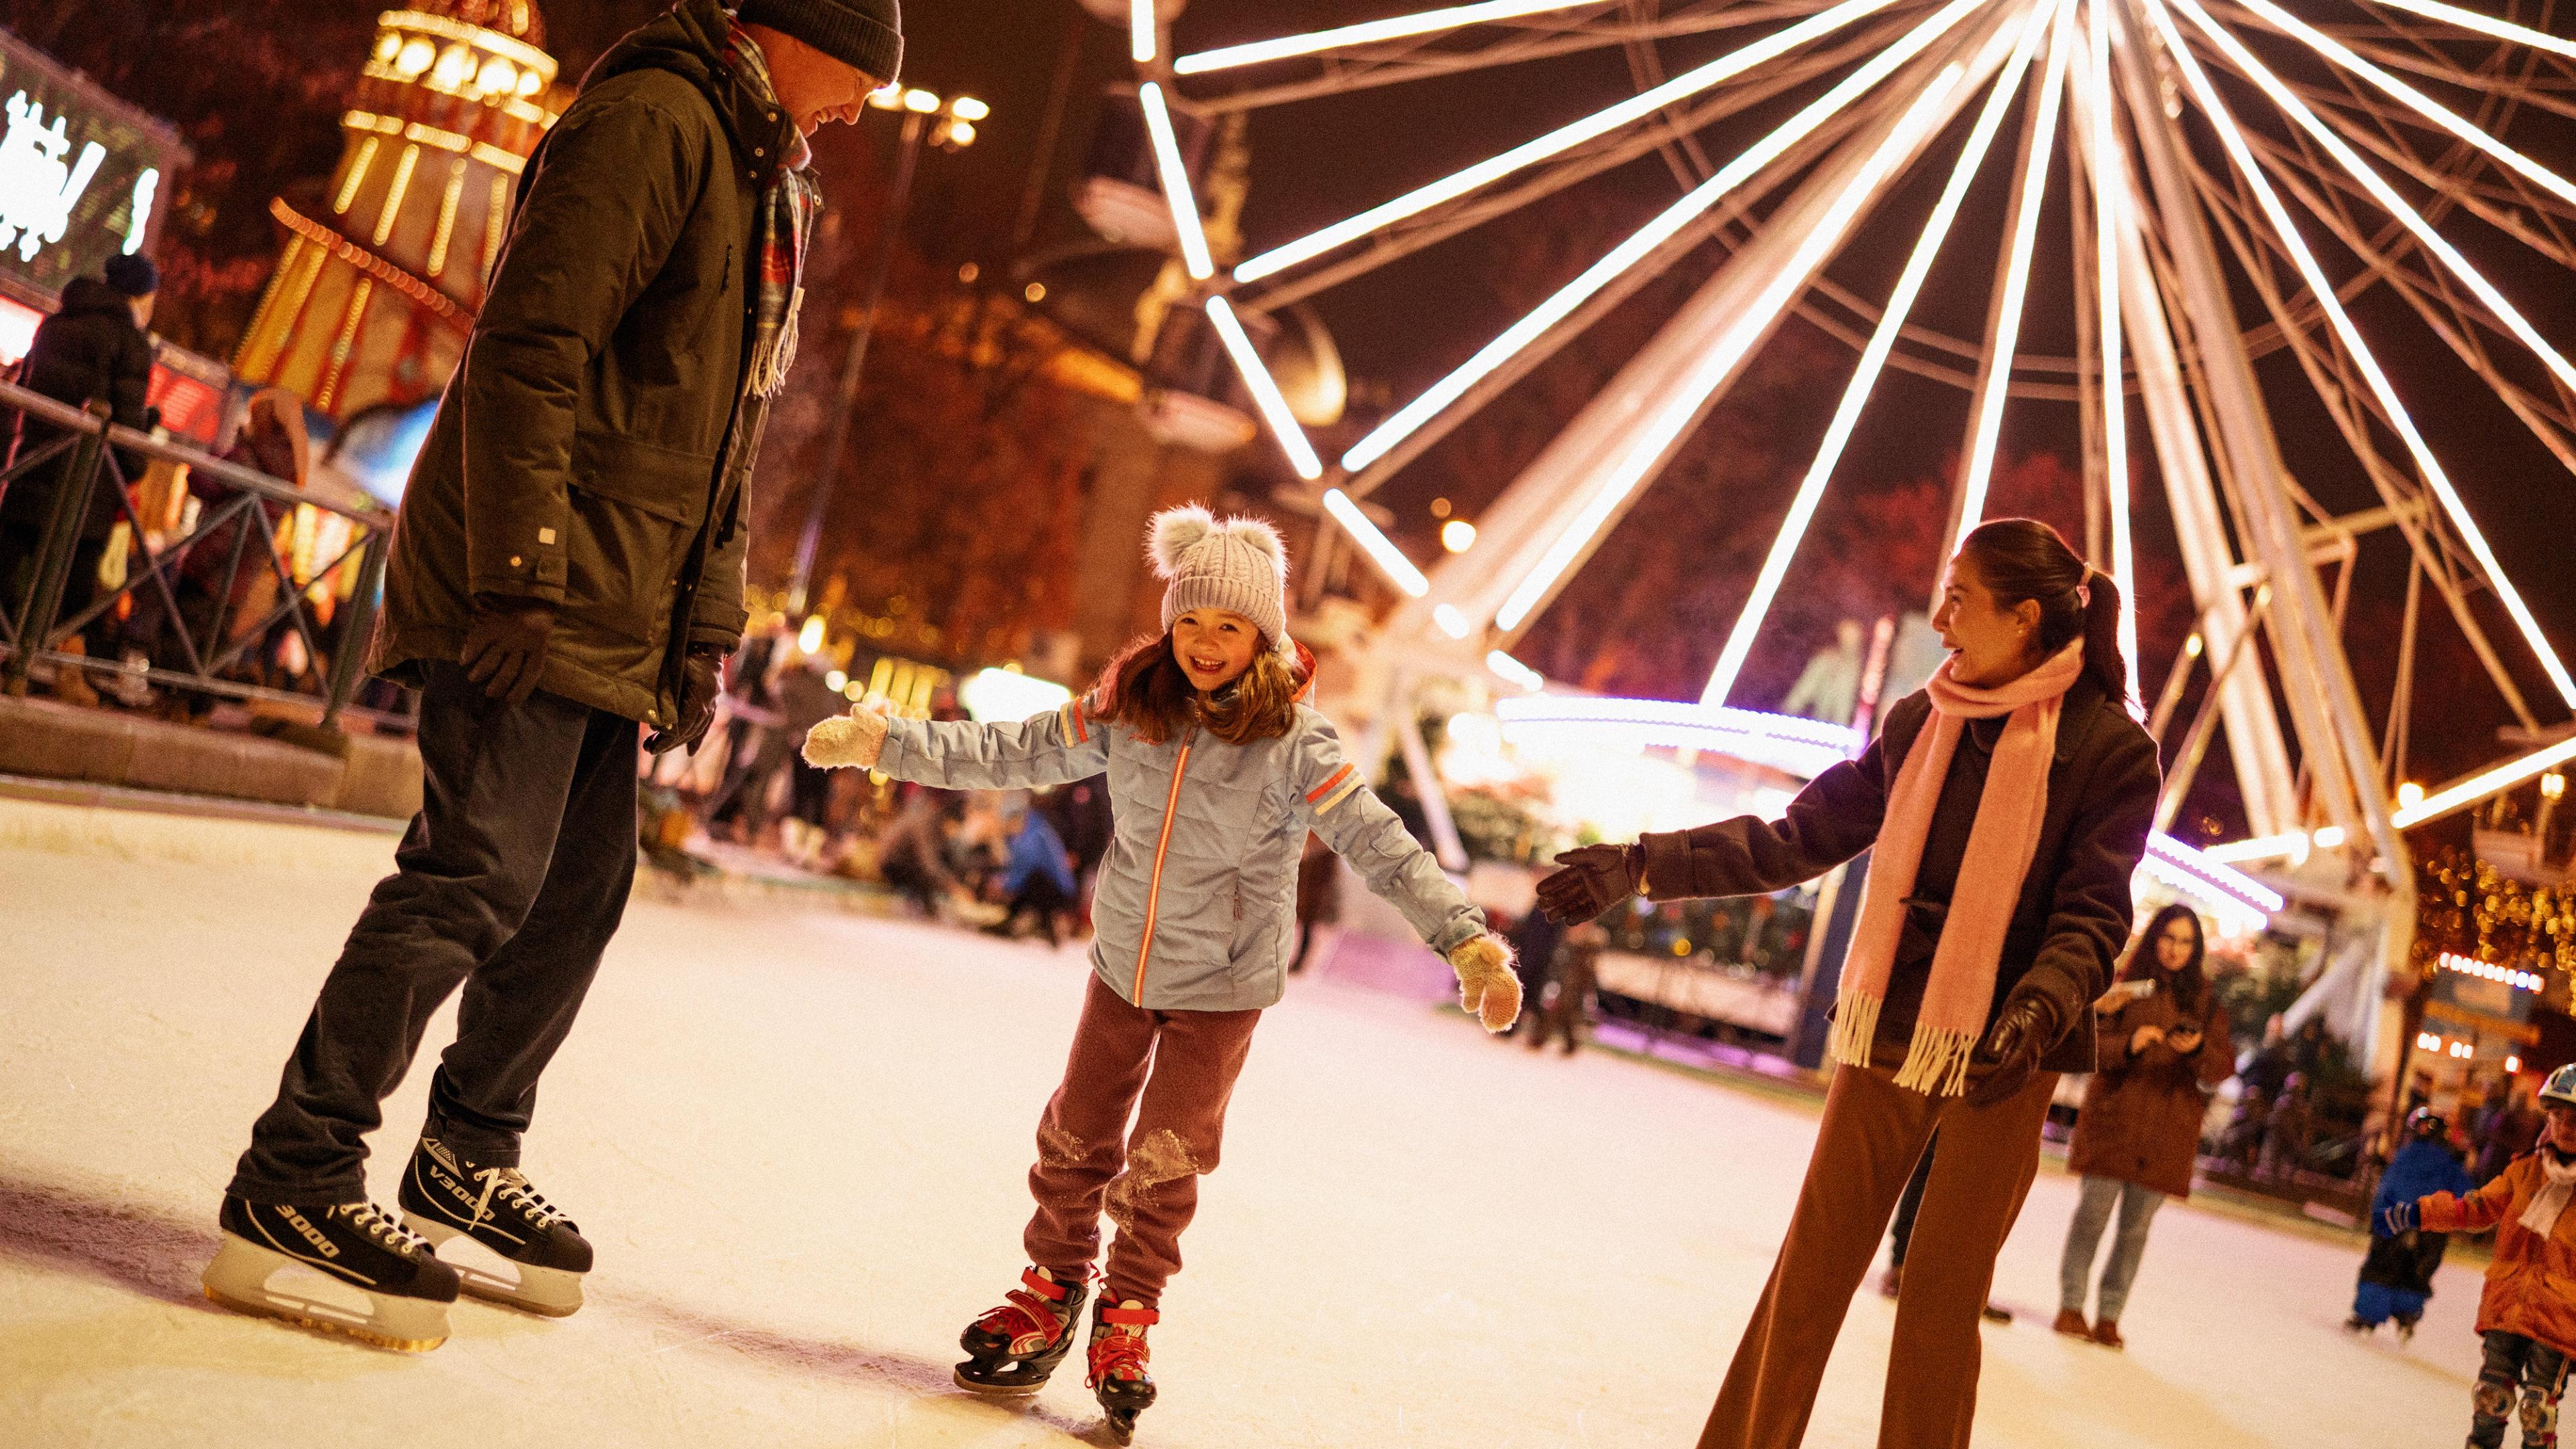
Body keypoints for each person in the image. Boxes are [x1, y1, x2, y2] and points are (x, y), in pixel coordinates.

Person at [201, 0, 901, 1354]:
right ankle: (296, 1171)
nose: (870, 108)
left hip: (622, 593)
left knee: (576, 897)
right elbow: (535, 344)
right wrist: (520, 566)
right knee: (474, 878)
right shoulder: (655, 121)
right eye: (865, 74)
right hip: (539, 580)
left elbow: (725, 431)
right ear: (793, 34)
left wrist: (705, 626)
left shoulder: (772, 191)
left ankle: (468, 1148)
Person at [803, 505, 1521, 1440]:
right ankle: (1053, 1285)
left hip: (1222, 987)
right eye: (1191, 621)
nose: (1206, 643)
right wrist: (887, 743)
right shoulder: (1125, 709)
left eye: (1229, 627)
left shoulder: (1296, 746)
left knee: (1165, 1157)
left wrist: (1466, 942)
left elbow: (1383, 848)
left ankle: (1128, 1316)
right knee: (1076, 1134)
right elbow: (1011, 750)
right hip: (1121, 963)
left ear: (1264, 635)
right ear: (1170, 620)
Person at [1538, 517, 2159, 1449]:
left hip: (2007, 1053)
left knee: (1942, 1299)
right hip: (1892, 1022)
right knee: (1812, 1272)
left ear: (2024, 618)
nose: (1939, 617)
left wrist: (2039, 1007)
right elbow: (1800, 837)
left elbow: (2094, 914)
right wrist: (1643, 863)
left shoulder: (2111, 752)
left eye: (1961, 599)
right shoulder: (1922, 720)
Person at [2054, 904, 2232, 1349]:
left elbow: (2222, 1066)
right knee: (2092, 1218)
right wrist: (2130, 1044)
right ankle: (2071, 1305)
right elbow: (2087, 1044)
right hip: (2116, 1120)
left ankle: (2110, 1315)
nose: (2176, 949)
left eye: (2186, 941)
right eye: (2168, 938)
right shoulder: (2125, 989)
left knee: (2135, 1232)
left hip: (2168, 1131)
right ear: (2154, 939)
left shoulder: (2207, 1003)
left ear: (2196, 949)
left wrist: (2195, 1050)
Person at [2383, 1063, 2576, 1449]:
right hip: (2507, 1305)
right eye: (2557, 1116)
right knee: (2491, 1397)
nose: (2565, 1127)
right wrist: (2423, 1213)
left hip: (2559, 1316)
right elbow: (2478, 1207)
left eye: (2575, 1119)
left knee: (2538, 1410)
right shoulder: (2524, 1171)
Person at [1, 252, 160, 705]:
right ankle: (60, 672)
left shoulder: (56, 324)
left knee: (12, 569)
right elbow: (126, 428)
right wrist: (136, 465)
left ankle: (11, 660)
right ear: (140, 295)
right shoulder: (129, 341)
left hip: (30, 469)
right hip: (87, 486)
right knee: (74, 588)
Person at [2351, 1107, 2472, 1340]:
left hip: (2396, 1219)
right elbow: (2465, 1194)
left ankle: (2368, 1315)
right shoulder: (2451, 1163)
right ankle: (2407, 1313)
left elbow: (2387, 1188)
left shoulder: (2405, 1156)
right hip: (2432, 1226)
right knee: (2419, 1270)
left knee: (2381, 1266)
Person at [987, 798, 1077, 947]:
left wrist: (1004, 887)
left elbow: (1026, 868)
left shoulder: (1033, 836)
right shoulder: (1027, 832)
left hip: (1059, 892)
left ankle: (1048, 925)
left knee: (1035, 881)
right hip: (1049, 887)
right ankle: (1014, 922)